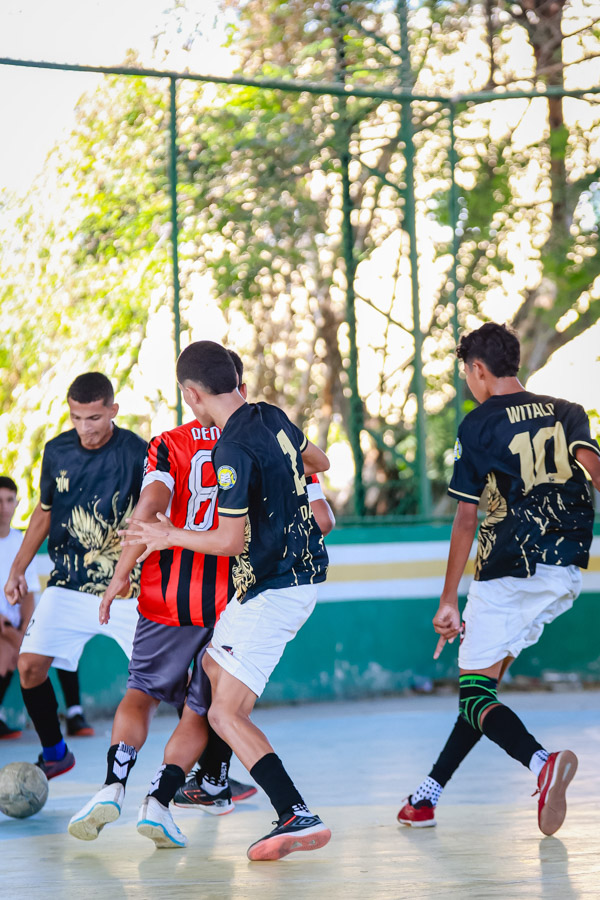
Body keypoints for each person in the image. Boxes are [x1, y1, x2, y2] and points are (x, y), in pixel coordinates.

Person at [68, 349, 335, 846]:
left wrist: (156, 544)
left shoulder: (210, 448)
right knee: (210, 676)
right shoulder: (272, 419)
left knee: (213, 710)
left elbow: (207, 532)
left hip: (237, 589)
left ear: (191, 394)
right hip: (250, 590)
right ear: (239, 383)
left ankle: (294, 812)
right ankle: (200, 785)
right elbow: (320, 469)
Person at [397, 322, 600, 837]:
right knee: (482, 691)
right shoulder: (567, 410)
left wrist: (449, 599)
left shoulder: (478, 425)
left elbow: (466, 517)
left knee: (473, 696)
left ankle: (541, 763)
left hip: (509, 569)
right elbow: (595, 471)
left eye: (467, 373)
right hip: (564, 570)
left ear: (478, 369)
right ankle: (425, 798)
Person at [4, 373, 147, 778]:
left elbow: (153, 516)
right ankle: (55, 753)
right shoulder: (57, 451)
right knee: (29, 666)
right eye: (77, 418)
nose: (85, 427)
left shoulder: (139, 452)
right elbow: (44, 512)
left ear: (113, 411)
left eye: (94, 418)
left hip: (127, 589)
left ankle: (210, 772)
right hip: (68, 584)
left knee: (171, 682)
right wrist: (18, 568)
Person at [0, 476, 38, 739]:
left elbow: (29, 592)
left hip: (13, 626)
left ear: (16, 503)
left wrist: (24, 630)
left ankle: (74, 713)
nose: (4, 507)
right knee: (6, 652)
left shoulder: (22, 542)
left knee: (25, 652)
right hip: (3, 627)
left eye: (9, 500)